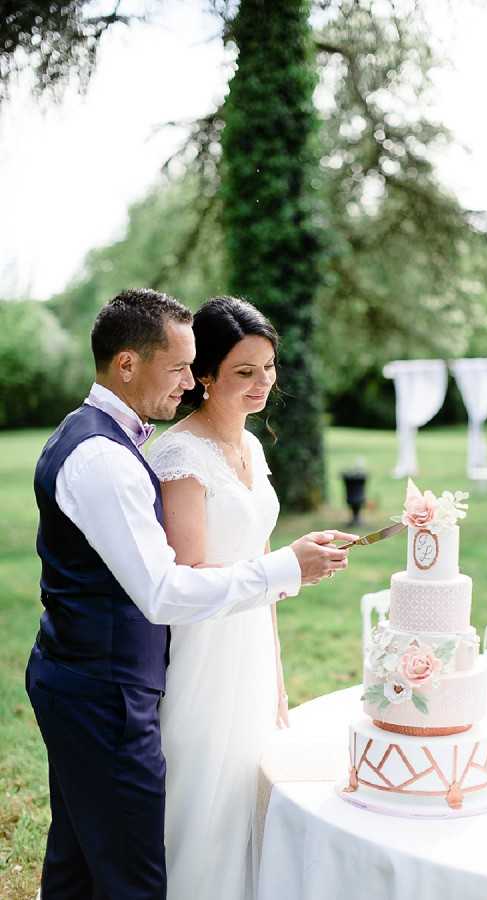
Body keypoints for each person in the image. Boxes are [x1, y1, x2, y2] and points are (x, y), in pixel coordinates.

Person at [26, 288, 355, 900]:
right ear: (127, 363)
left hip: (89, 674)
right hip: (107, 687)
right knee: (137, 872)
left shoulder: (96, 435)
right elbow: (162, 590)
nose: (184, 382)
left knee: (78, 857)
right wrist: (282, 569)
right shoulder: (106, 458)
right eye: (179, 367)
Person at [147, 296, 324, 899]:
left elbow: (263, 562)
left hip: (251, 644)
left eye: (268, 368)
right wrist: (282, 568)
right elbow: (189, 575)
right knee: (204, 795)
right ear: (204, 376)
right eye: (244, 372)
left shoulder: (254, 448)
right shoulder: (178, 456)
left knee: (252, 788)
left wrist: (274, 672)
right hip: (201, 652)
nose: (262, 384)